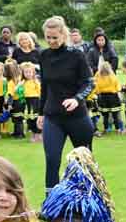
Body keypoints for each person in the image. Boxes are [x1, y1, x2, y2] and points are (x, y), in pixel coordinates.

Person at [38, 15, 95, 191]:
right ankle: (51, 204)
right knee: (52, 159)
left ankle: (90, 198)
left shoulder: (76, 55)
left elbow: (89, 82)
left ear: (63, 35)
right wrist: (40, 113)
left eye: (55, 37)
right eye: (48, 37)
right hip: (53, 117)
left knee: (84, 160)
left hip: (77, 117)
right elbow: (45, 86)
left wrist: (76, 99)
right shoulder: (44, 56)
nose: (51, 41)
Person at [95, 61, 124, 135]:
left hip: (103, 97)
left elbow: (96, 87)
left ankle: (106, 129)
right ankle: (118, 129)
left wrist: (97, 93)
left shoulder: (98, 75)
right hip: (113, 97)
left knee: (105, 115)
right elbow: (118, 87)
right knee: (115, 114)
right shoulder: (112, 75)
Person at [21, 62, 42, 142]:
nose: (28, 74)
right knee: (29, 118)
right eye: (26, 72)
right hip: (27, 101)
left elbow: (40, 92)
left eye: (30, 72)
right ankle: (33, 133)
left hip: (35, 101)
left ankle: (38, 134)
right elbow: (17, 90)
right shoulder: (23, 82)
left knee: (36, 117)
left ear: (33, 72)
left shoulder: (35, 82)